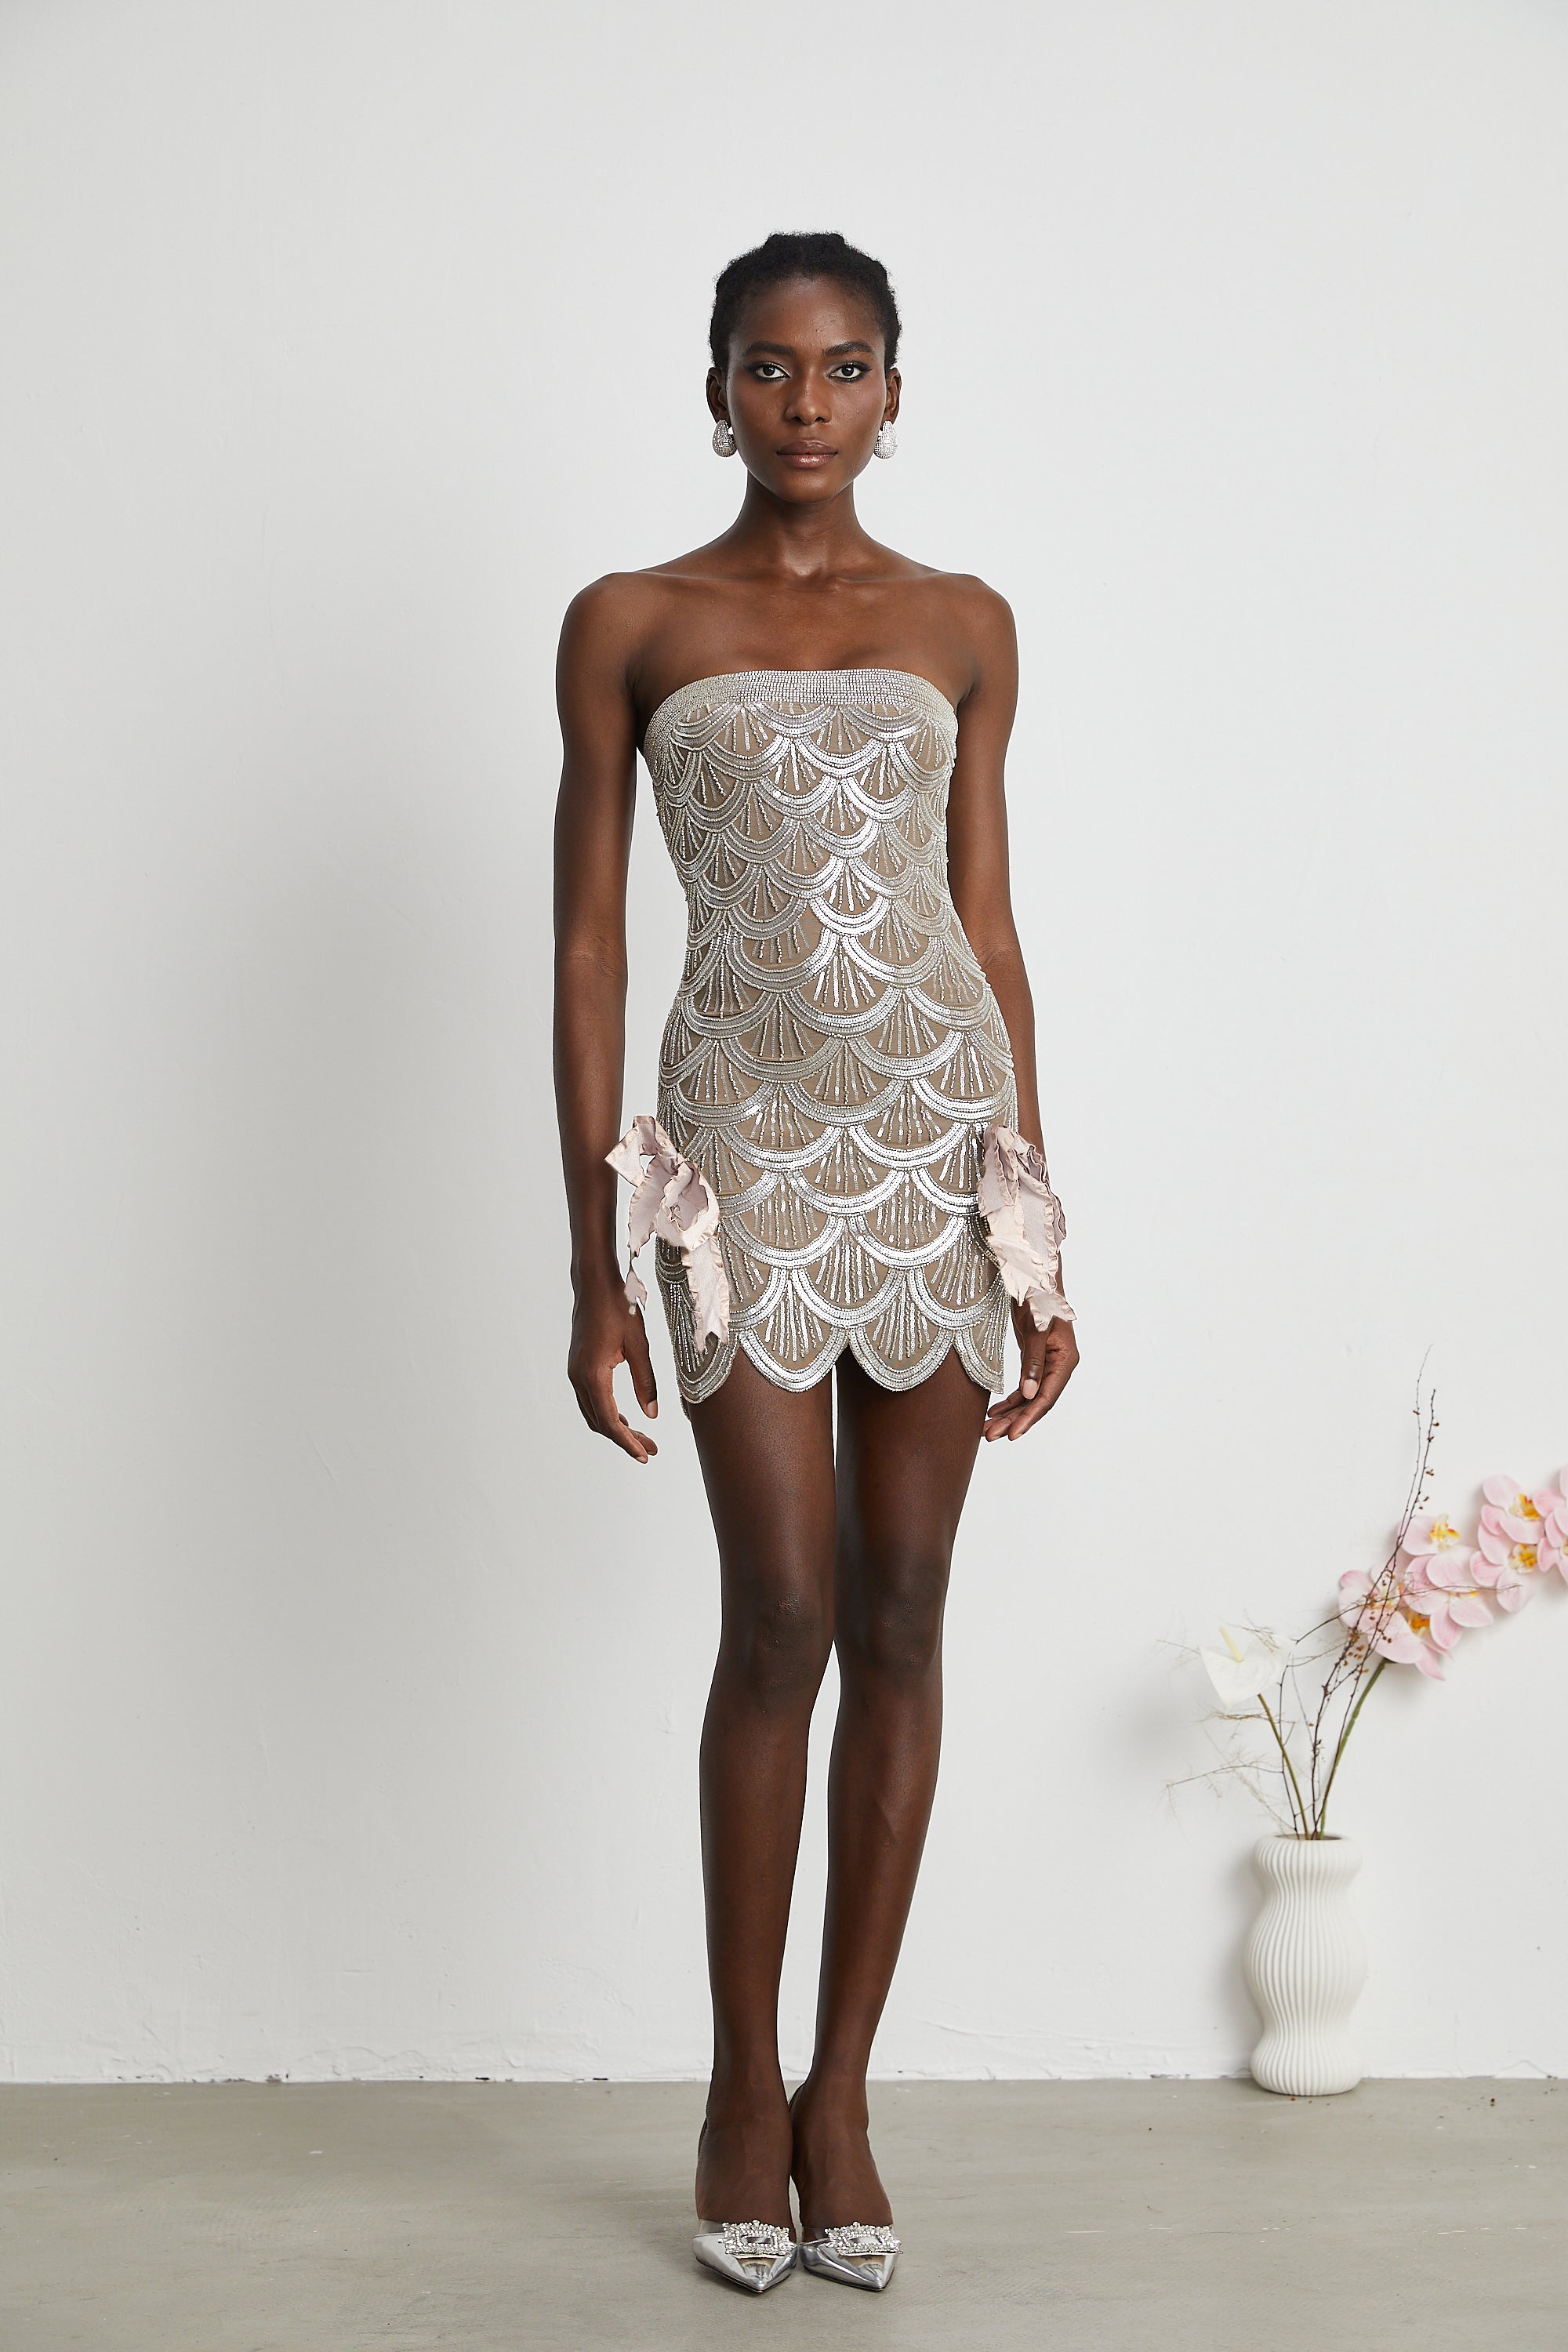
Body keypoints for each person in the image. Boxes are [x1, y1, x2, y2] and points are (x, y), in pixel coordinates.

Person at [551, 230, 1079, 2295]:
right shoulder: (631, 622)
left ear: (892, 392)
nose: (806, 403)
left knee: (907, 1609)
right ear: (716, 390)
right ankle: (735, 2091)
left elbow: (988, 928)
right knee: (780, 1611)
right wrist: (599, 1248)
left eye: (845, 367)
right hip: (743, 1153)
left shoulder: (964, 624)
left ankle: (842, 2092)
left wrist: (1030, 1220)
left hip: (934, 1148)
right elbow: (590, 943)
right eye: (768, 369)